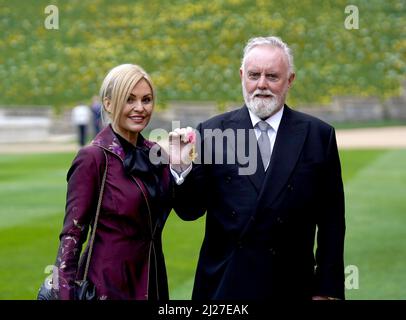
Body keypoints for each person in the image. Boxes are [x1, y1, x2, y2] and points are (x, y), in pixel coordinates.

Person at [170, 36, 346, 300]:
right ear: (242, 76)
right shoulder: (212, 131)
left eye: (272, 76)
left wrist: (326, 289)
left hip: (292, 286)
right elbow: (189, 211)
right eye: (254, 75)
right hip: (226, 286)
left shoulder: (319, 135)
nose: (261, 85)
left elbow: (332, 221)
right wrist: (181, 168)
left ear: (290, 80)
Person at [51, 64, 172, 300]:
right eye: (129, 99)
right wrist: (64, 294)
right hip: (108, 286)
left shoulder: (156, 153)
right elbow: (72, 235)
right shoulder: (93, 158)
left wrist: (182, 166)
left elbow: (181, 207)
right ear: (108, 104)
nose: (140, 108)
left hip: (153, 279)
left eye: (146, 100)